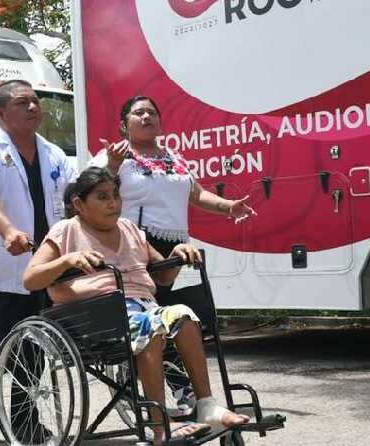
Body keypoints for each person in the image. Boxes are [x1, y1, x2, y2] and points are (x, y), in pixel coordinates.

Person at [23, 167, 249, 446]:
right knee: (150, 327)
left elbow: (162, 275)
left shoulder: (130, 229)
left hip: (144, 307)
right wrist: (67, 261)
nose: (113, 203)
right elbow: (30, 278)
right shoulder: (66, 231)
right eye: (102, 197)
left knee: (184, 316)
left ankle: (206, 405)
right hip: (97, 316)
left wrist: (177, 257)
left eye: (116, 196)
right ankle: (158, 426)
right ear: (79, 204)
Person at [90, 95, 256, 411]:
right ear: (124, 123)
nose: (147, 117)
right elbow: (89, 192)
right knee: (160, 317)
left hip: (176, 250)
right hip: (136, 246)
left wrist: (228, 207)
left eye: (152, 112)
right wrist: (112, 164)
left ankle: (184, 392)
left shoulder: (173, 157)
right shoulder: (114, 156)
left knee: (177, 314)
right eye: (139, 113)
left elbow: (196, 193)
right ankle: (182, 393)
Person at [0, 79, 78, 439]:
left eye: (35, 102)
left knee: (36, 345)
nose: (33, 108)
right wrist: (9, 231)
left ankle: (26, 424)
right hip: (3, 264)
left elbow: (75, 195)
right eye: (22, 102)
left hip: (46, 263)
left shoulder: (53, 153)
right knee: (0, 337)